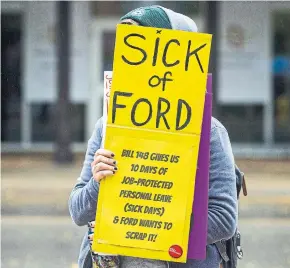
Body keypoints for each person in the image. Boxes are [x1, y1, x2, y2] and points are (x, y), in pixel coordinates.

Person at [69, 5, 237, 268]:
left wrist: (156, 225)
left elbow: (224, 220)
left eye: (147, 48)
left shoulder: (210, 132)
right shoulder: (108, 125)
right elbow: (78, 211)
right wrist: (97, 185)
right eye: (129, 50)